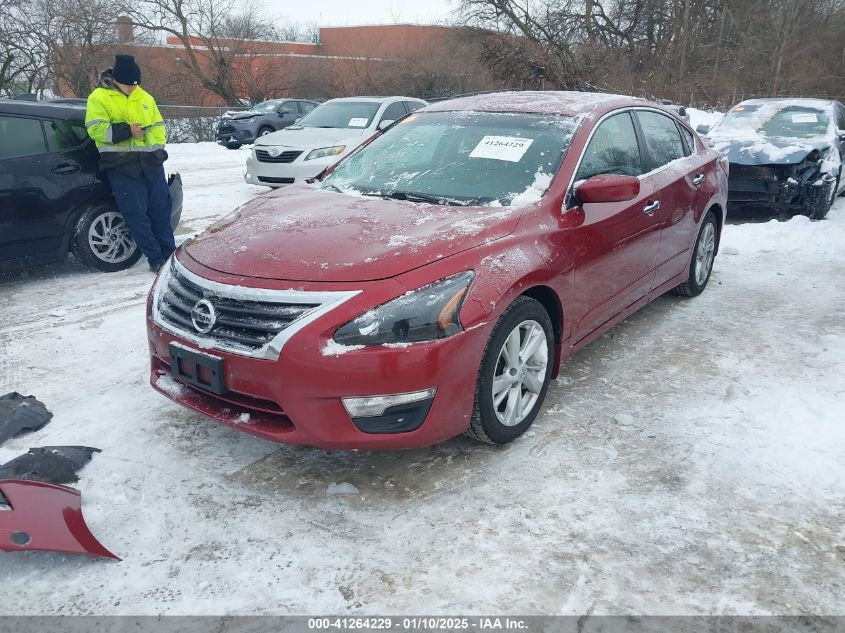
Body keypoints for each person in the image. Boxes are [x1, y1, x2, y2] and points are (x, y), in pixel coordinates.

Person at [85, 54, 175, 272]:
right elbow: (95, 129)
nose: (133, 89)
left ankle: (171, 255)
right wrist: (127, 131)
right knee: (137, 217)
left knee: (161, 212)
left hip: (150, 164)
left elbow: (158, 128)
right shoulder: (99, 97)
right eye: (128, 84)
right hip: (121, 166)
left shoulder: (145, 97)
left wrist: (157, 153)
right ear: (116, 79)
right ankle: (155, 259)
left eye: (136, 84)